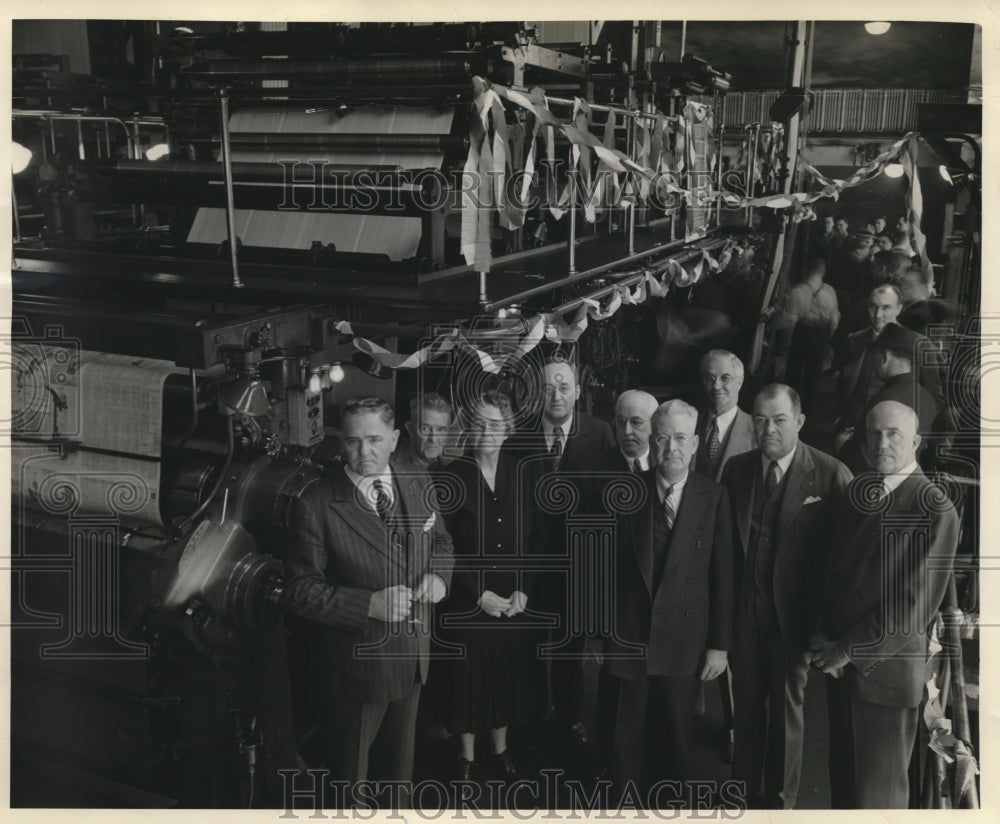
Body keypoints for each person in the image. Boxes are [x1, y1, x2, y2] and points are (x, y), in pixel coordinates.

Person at [282, 397, 454, 794]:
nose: (364, 452)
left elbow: (442, 540)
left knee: (399, 781)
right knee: (350, 785)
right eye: (353, 441)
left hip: (413, 660)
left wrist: (439, 577)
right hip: (357, 673)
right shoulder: (316, 503)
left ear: (395, 439)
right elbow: (298, 590)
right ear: (341, 442)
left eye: (374, 440)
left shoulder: (418, 480)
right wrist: (369, 604)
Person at [810, 401, 959, 808]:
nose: (881, 442)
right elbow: (829, 572)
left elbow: (912, 608)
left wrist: (844, 650)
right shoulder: (858, 492)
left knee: (878, 796)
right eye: (873, 433)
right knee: (842, 781)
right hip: (841, 665)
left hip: (882, 669)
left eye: (893, 434)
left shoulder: (934, 508)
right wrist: (825, 638)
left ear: (916, 441)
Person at [721, 385, 852, 809]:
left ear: (799, 422)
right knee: (746, 711)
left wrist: (829, 626)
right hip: (745, 615)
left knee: (786, 714)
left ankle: (780, 805)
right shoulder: (737, 470)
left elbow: (843, 559)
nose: (768, 429)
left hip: (794, 620)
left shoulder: (831, 474)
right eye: (760, 420)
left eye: (779, 420)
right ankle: (741, 792)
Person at [608, 400, 734, 794]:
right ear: (651, 440)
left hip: (684, 640)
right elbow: (604, 571)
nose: (671, 448)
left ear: (695, 443)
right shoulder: (626, 492)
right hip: (629, 635)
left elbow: (723, 577)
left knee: (675, 741)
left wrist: (719, 646)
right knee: (622, 740)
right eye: (662, 438)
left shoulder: (714, 497)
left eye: (680, 438)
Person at [504, 356, 614, 749]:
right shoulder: (518, 437)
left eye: (564, 387)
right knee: (529, 645)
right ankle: (530, 718)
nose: (556, 395)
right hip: (531, 566)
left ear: (578, 392)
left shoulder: (600, 434)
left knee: (571, 649)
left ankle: (569, 719)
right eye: (548, 387)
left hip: (577, 567)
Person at [434, 391, 542, 782]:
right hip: (467, 599)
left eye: (496, 424)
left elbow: (535, 540)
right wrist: (478, 594)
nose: (487, 431)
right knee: (466, 678)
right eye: (479, 423)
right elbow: (443, 548)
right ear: (467, 428)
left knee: (506, 675)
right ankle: (466, 758)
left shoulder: (522, 471)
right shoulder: (449, 476)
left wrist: (524, 590)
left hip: (512, 599)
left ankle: (500, 750)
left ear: (508, 429)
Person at [590, 389, 659, 775]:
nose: (627, 430)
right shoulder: (593, 472)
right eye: (621, 420)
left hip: (662, 613)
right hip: (616, 615)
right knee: (615, 705)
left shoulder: (670, 466)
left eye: (638, 422)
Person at [836, 323, 938, 472]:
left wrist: (843, 444)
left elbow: (862, 457)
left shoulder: (885, 399)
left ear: (884, 356)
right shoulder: (926, 396)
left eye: (875, 355)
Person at [835, 284, 903, 431]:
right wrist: (840, 417)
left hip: (889, 430)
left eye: (886, 308)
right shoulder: (853, 340)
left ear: (899, 309)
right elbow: (843, 385)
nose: (878, 315)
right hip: (852, 426)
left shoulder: (913, 346)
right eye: (873, 307)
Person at [776, 258, 840, 414]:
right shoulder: (829, 291)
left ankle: (791, 406)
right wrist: (828, 340)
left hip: (801, 335)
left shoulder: (797, 291)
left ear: (806, 270)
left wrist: (785, 344)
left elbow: (790, 322)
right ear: (822, 271)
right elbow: (834, 320)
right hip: (820, 335)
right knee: (814, 374)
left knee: (794, 372)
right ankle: (809, 410)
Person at [694, 350, 755, 481]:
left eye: (725, 378)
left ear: (739, 383)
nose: (716, 386)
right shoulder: (691, 424)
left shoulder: (756, 430)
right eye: (710, 378)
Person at [394, 392, 454, 472]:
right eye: (425, 429)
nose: (433, 439)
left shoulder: (454, 462)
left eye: (440, 430)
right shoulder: (392, 469)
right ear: (410, 429)